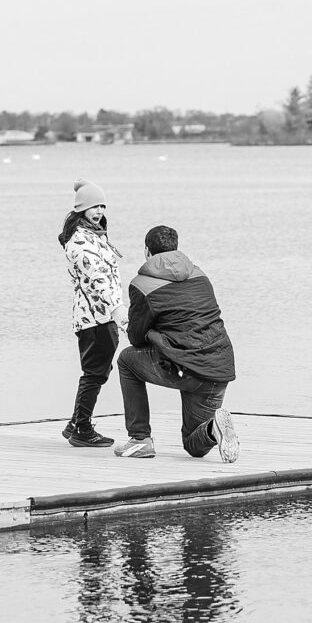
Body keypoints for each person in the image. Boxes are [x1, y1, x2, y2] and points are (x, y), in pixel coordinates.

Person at [115, 224, 238, 462]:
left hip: (183, 366)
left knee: (127, 360)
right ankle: (214, 429)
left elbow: (136, 338)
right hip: (217, 370)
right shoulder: (200, 275)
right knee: (194, 446)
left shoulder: (142, 285)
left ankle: (140, 439)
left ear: (147, 251)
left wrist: (129, 322)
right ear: (176, 248)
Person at [58, 178, 128, 448]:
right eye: (93, 207)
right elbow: (98, 279)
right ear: (80, 210)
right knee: (94, 373)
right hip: (94, 317)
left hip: (101, 315)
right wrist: (118, 310)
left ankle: (75, 423)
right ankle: (82, 429)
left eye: (102, 206)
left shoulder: (95, 235)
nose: (99, 211)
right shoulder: (80, 244)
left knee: (98, 370)